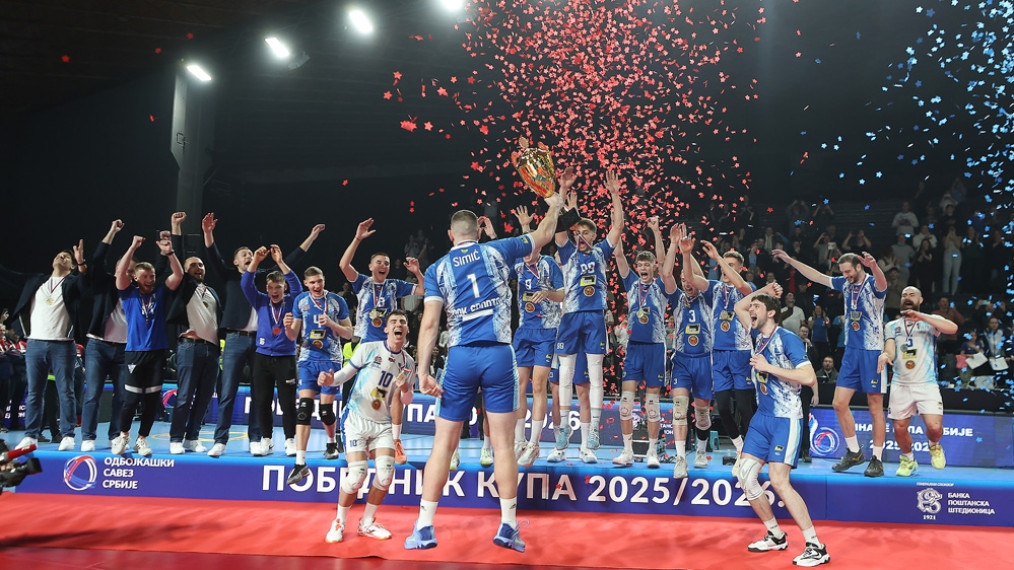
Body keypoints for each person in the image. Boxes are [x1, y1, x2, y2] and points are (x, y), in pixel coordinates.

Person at [405, 191, 562, 552]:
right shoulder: (497, 250)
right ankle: (508, 526)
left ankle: (424, 527)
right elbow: (544, 234)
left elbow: (429, 324)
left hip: (460, 357)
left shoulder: (437, 269)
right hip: (499, 356)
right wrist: (555, 204)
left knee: (443, 445)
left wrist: (423, 372)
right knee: (504, 445)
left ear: (450, 235)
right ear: (478, 231)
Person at [201, 214, 322, 457]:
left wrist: (311, 237)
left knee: (261, 395)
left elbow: (291, 263)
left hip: (261, 345)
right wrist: (207, 233)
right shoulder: (231, 277)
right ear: (235, 261)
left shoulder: (265, 281)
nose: (248, 255)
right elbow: (213, 256)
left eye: (251, 253)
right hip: (235, 339)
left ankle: (257, 438)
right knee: (227, 392)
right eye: (244, 254)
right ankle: (220, 440)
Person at [732, 282, 828, 567]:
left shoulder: (788, 339)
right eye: (752, 307)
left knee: (779, 481)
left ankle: (816, 546)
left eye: (757, 307)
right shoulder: (757, 335)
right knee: (745, 475)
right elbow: (738, 306)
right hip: (762, 418)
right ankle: (775, 535)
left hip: (786, 418)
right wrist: (763, 291)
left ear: (771, 313)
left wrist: (768, 367)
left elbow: (809, 377)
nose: (751, 310)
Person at [772, 249, 888, 478]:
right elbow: (817, 276)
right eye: (842, 272)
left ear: (859, 267)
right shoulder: (845, 284)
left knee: (875, 406)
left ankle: (877, 459)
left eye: (848, 271)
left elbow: (883, 284)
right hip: (851, 352)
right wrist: (790, 260)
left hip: (872, 352)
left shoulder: (872, 283)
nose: (845, 276)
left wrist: (874, 266)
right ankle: (854, 452)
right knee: (839, 403)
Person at [318, 310, 415, 543]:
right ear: (386, 329)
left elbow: (408, 399)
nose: (398, 325)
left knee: (386, 475)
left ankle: (367, 523)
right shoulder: (369, 348)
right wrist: (331, 380)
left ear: (407, 330)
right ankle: (339, 521)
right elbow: (345, 374)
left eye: (402, 322)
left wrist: (404, 388)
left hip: (382, 425)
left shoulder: (408, 363)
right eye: (394, 322)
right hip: (356, 419)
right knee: (356, 476)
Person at [552, 170, 624, 463]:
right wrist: (561, 190)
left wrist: (615, 194)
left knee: (595, 377)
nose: (580, 235)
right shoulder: (567, 250)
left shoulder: (601, 252)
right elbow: (557, 226)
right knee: (565, 376)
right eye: (577, 231)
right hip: (570, 317)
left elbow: (618, 226)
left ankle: (593, 430)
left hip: (594, 318)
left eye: (585, 232)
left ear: (593, 236)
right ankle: (563, 430)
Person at [340, 219, 424, 464]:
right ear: (370, 266)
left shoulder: (394, 286)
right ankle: (346, 433)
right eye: (379, 262)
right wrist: (357, 238)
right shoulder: (363, 282)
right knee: (353, 389)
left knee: (396, 391)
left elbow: (423, 290)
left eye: (386, 263)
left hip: (391, 348)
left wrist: (417, 272)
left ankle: (395, 440)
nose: (383, 265)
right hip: (366, 345)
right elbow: (343, 265)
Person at [2, 242, 88, 451]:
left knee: (65, 391)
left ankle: (67, 435)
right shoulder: (37, 281)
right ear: (52, 261)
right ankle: (31, 436)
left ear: (72, 266)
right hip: (35, 343)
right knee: (34, 392)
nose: (62, 257)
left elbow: (87, 282)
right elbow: (10, 276)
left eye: (67, 257)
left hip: (63, 345)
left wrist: (81, 263)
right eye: (59, 255)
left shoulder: (72, 283)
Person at [682, 232, 756, 474]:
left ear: (741, 268)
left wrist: (719, 259)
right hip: (718, 355)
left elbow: (742, 286)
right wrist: (686, 253)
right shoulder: (714, 288)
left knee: (745, 408)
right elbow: (691, 278)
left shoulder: (749, 289)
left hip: (741, 354)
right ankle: (740, 448)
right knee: (722, 408)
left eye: (731, 265)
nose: (725, 269)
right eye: (724, 265)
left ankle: (752, 453)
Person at [111, 230, 184, 456]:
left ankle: (142, 439)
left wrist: (169, 253)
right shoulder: (128, 294)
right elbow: (120, 272)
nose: (150, 280)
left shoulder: (160, 293)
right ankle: (123, 435)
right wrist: (133, 247)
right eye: (145, 276)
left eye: (152, 276)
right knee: (130, 400)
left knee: (152, 400)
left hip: (157, 353)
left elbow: (178, 274)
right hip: (134, 352)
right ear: (135, 277)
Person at [610, 216, 674, 468]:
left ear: (653, 267)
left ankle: (652, 453)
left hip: (656, 349)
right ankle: (627, 451)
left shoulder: (662, 285)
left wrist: (657, 231)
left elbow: (664, 262)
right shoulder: (631, 283)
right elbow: (618, 255)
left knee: (652, 403)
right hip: (634, 349)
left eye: (648, 264)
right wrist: (616, 226)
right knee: (626, 402)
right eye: (641, 264)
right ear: (637, 267)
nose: (644, 267)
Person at [878, 286, 957, 476]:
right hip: (900, 384)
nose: (907, 297)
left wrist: (920, 316)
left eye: (912, 295)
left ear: (920, 300)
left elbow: (953, 328)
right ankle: (908, 460)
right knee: (899, 428)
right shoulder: (892, 326)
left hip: (926, 384)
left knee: (935, 427)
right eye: (904, 295)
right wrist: (885, 355)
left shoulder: (930, 321)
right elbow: (890, 349)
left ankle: (934, 445)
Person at [509, 205, 565, 468]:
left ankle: (534, 443)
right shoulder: (519, 266)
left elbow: (563, 294)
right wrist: (524, 227)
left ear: (539, 247)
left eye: (531, 247)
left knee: (539, 385)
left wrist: (548, 293)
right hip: (524, 331)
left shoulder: (549, 264)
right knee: (519, 385)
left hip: (546, 332)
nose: (526, 252)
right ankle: (519, 440)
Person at [286, 266, 353, 485]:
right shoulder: (300, 301)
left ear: (324, 280)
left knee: (325, 411)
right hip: (307, 360)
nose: (317, 285)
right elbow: (293, 335)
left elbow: (350, 333)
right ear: (306, 284)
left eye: (320, 281)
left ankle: (332, 442)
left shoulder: (336, 301)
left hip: (330, 360)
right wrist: (287, 328)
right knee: (303, 410)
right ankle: (300, 463)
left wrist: (331, 324)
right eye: (312, 282)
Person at [164, 213, 221, 455]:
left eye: (201, 264)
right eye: (194, 265)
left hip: (212, 350)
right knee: (185, 395)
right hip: (189, 346)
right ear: (185, 271)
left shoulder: (212, 292)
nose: (199, 267)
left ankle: (192, 437)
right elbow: (176, 256)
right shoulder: (184, 286)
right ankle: (176, 438)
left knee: (205, 397)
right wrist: (175, 227)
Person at [241, 245, 303, 457]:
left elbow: (297, 286)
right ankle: (266, 440)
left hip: (286, 357)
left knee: (287, 403)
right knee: (262, 401)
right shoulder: (260, 300)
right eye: (270, 287)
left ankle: (290, 440)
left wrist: (280, 262)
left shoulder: (292, 301)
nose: (274, 291)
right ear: (266, 288)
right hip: (262, 357)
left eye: (278, 287)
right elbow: (246, 284)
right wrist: (256, 261)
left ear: (284, 288)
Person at [79, 220, 131, 452]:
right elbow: (98, 259)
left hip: (125, 350)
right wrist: (112, 231)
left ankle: (115, 436)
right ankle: (88, 437)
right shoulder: (104, 283)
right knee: (93, 393)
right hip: (98, 347)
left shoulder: (137, 293)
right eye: (122, 265)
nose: (125, 269)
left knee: (123, 396)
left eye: (130, 268)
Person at [670, 226, 717, 474]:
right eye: (683, 281)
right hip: (682, 361)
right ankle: (680, 459)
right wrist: (676, 247)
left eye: (689, 281)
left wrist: (686, 253)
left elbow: (695, 275)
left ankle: (700, 452)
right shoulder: (675, 297)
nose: (687, 284)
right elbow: (667, 272)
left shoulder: (708, 297)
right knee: (679, 410)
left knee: (701, 412)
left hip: (704, 361)